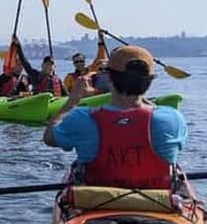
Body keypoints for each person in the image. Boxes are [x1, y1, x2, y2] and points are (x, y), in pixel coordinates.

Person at [44, 46, 187, 189]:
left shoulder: (81, 118)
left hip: (97, 204)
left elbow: (49, 137)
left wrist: (73, 99)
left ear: (110, 77)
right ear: (149, 82)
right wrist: (141, 95)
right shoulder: (173, 118)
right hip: (158, 204)